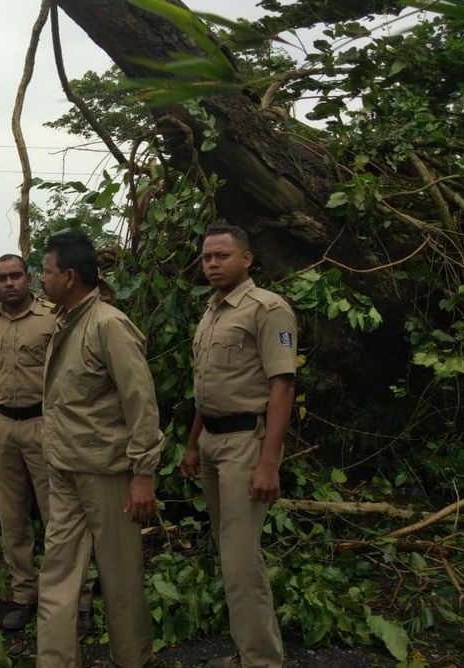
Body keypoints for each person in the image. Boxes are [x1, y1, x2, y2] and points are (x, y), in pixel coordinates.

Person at [37, 231, 161, 668]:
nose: (41, 279)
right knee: (58, 570)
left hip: (107, 472)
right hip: (64, 466)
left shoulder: (109, 325)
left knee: (120, 572)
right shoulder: (65, 321)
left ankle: (132, 658)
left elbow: (140, 402)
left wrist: (143, 473)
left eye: (46, 271)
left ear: (70, 276)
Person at [179, 224, 297, 668]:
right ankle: (252, 651)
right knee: (232, 553)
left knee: (240, 559)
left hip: (246, 444)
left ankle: (261, 660)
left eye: (222, 255)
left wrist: (268, 463)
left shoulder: (268, 309)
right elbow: (205, 386)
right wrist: (193, 444)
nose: (212, 264)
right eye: (207, 257)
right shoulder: (212, 311)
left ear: (246, 259)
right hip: (212, 440)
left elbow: (282, 387)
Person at [0, 253, 92, 632]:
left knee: (59, 515)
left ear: (29, 278)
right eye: (1, 278)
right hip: (3, 426)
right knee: (12, 517)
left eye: (15, 275)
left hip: (45, 424)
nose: (9, 283)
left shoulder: (53, 319)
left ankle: (78, 597)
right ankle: (24, 593)